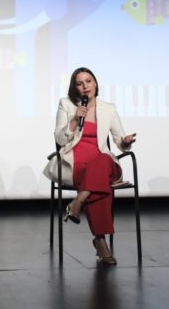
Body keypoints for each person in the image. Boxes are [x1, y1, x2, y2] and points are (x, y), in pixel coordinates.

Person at [47, 67, 137, 265]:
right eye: (79, 83)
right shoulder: (66, 104)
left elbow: (119, 142)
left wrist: (126, 141)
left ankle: (78, 201)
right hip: (76, 161)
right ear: (75, 88)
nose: (85, 86)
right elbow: (60, 139)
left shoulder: (108, 108)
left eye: (88, 81)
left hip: (103, 162)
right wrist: (72, 121)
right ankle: (100, 240)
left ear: (95, 83)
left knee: (102, 162)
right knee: (99, 185)